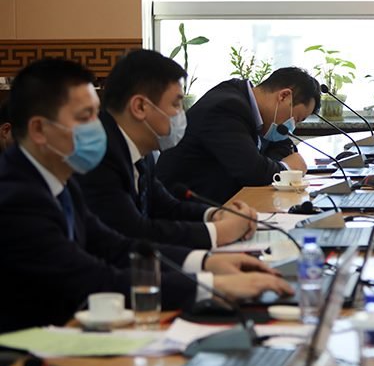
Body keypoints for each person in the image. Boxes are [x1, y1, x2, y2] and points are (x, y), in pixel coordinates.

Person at [0, 58, 293, 334]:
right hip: (28, 353)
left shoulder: (59, 179)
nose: (98, 125)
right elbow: (95, 279)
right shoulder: (16, 196)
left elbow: (116, 247)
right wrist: (210, 286)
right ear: (39, 129)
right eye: (85, 117)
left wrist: (206, 263)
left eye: (96, 112)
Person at [76, 49, 256, 249]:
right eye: (176, 104)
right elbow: (132, 232)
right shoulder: (99, 153)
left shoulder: (141, 150)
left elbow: (166, 207)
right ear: (140, 107)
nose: (182, 113)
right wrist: (218, 232)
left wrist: (216, 214)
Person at [157, 67, 319, 202]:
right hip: (185, 210)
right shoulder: (226, 107)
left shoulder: (256, 111)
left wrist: (272, 164)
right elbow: (252, 172)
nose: (292, 127)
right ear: (283, 96)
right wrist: (287, 168)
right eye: (296, 119)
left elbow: (284, 147)